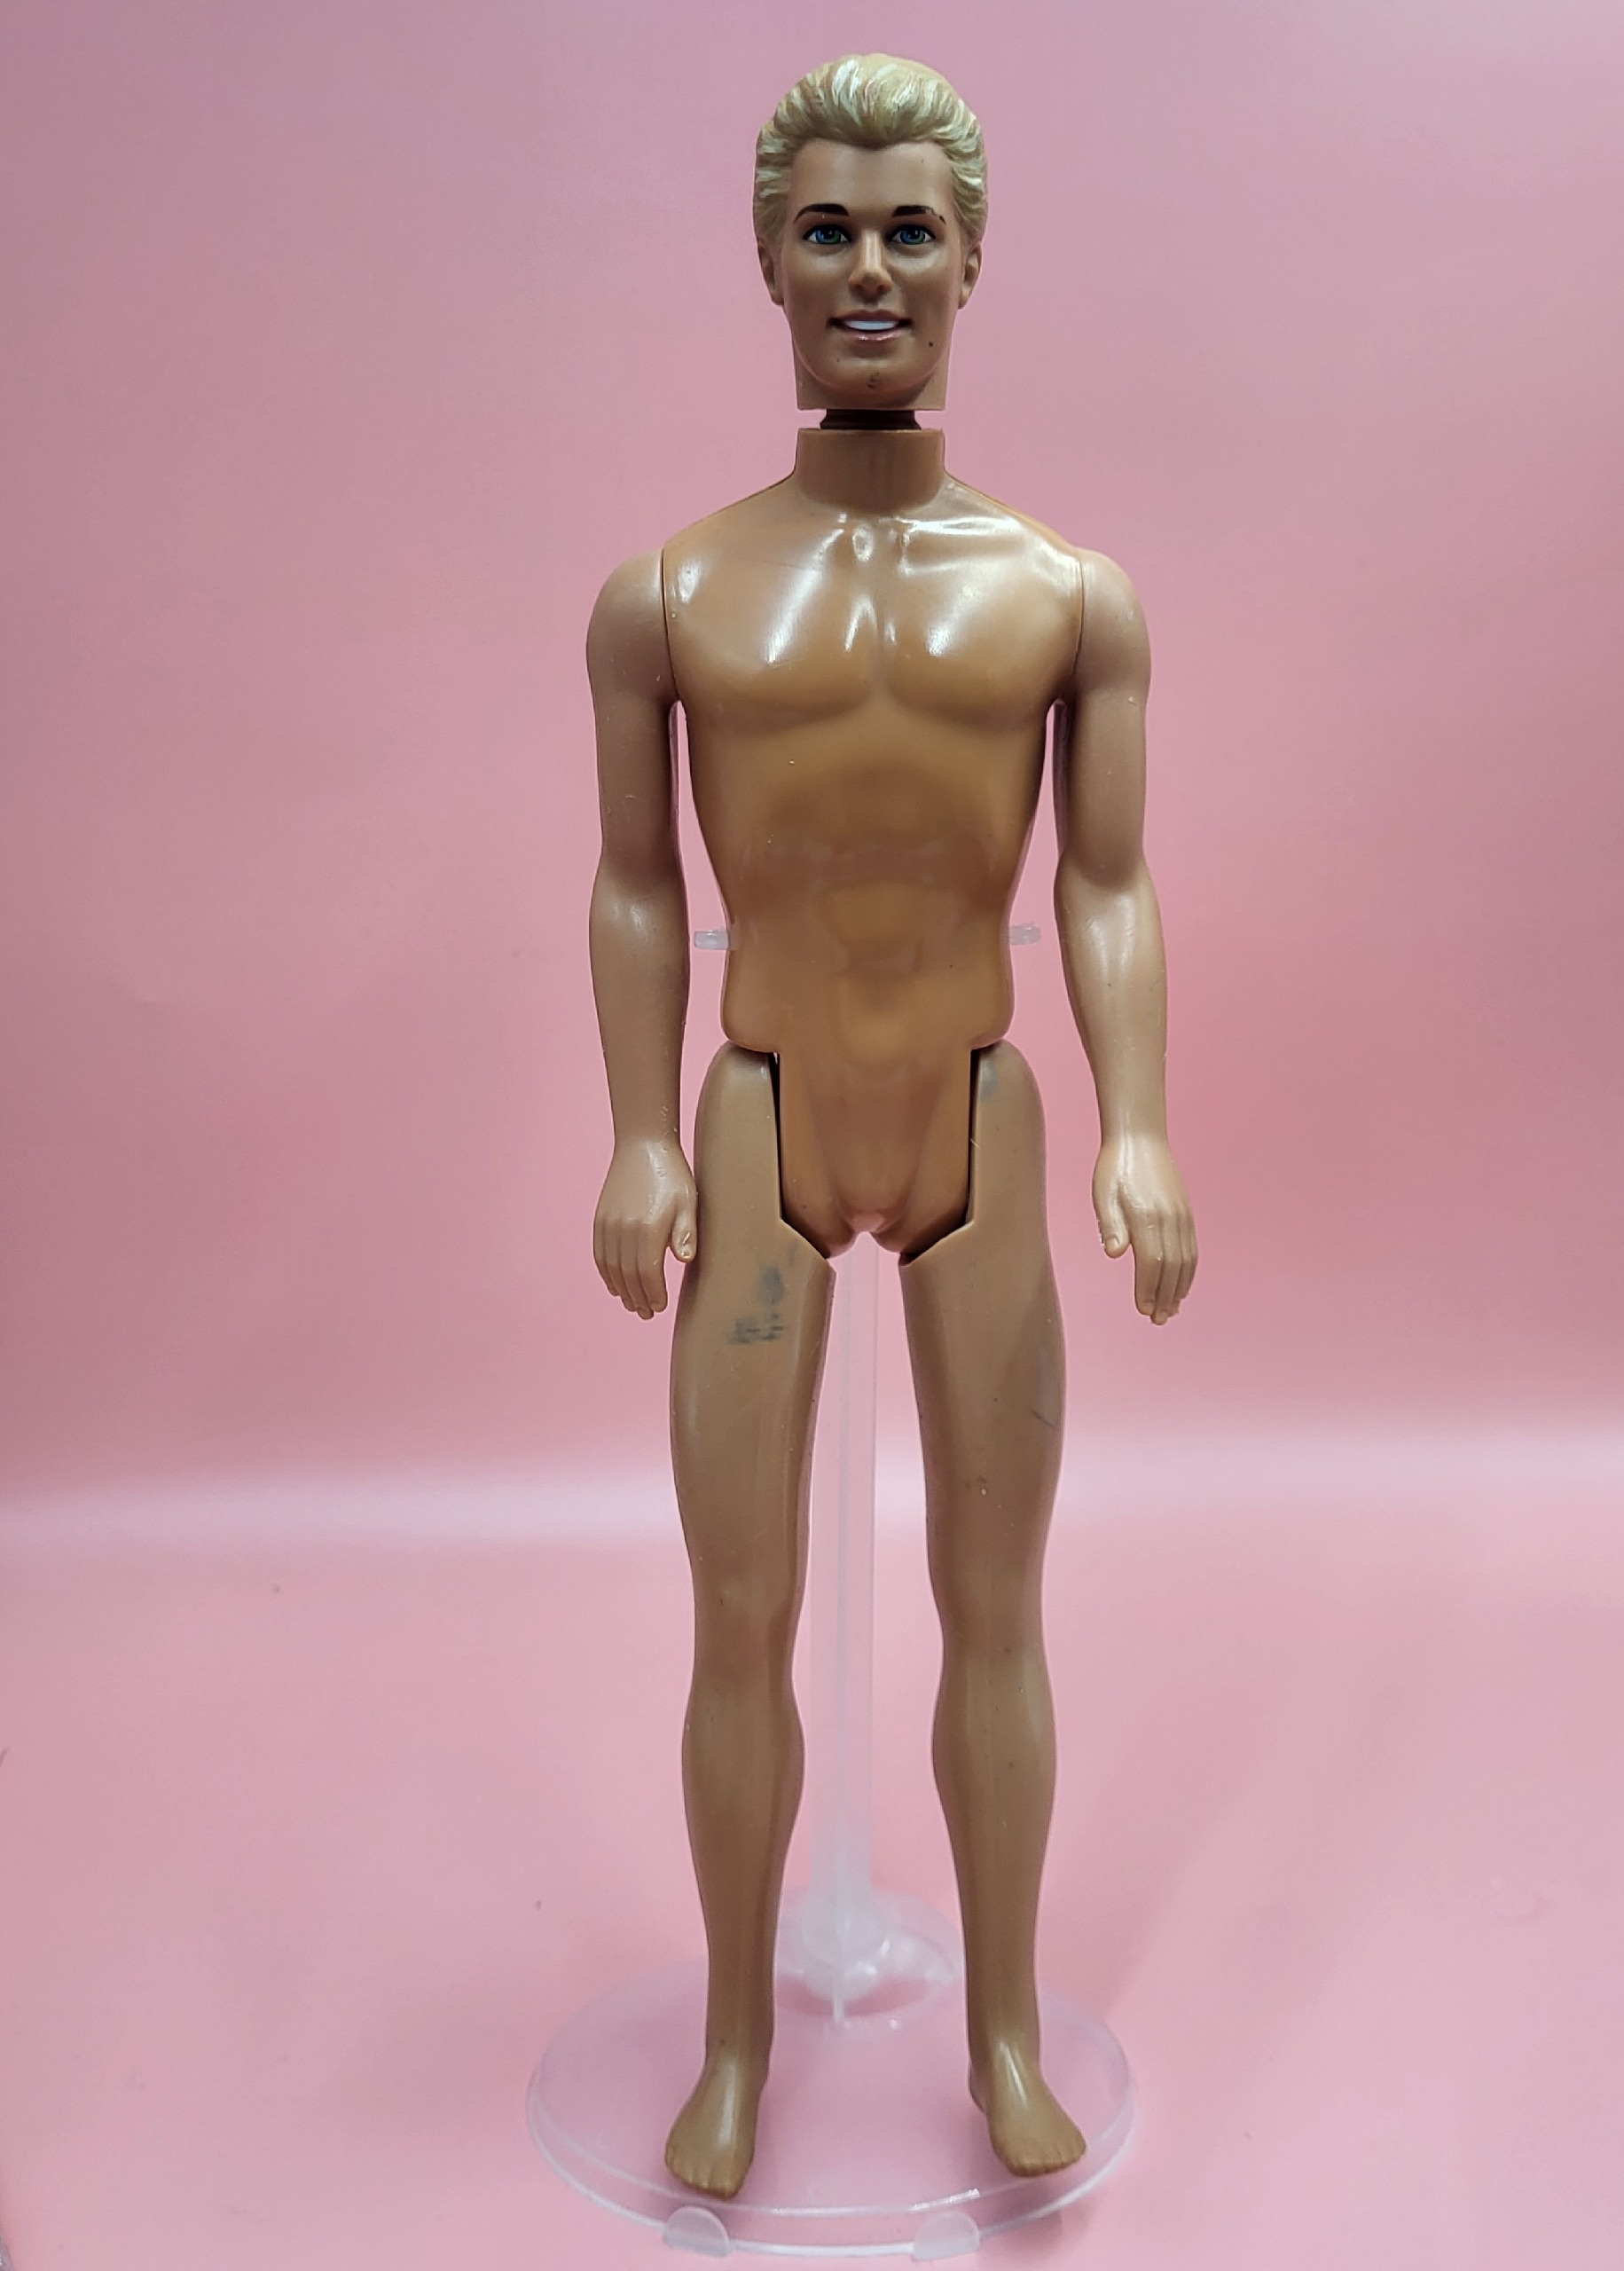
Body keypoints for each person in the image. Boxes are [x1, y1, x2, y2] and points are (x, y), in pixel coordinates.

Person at [587, 53, 1197, 2200]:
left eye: (909, 229)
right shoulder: (671, 595)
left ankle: (1005, 2030)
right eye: (828, 228)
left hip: (974, 1115)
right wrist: (639, 1129)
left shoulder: (1065, 594)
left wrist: (1139, 1122)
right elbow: (636, 881)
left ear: (970, 262)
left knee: (996, 1603)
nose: (869, 268)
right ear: (769, 259)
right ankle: (735, 2039)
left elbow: (1105, 882)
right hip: (760, 1117)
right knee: (738, 1609)